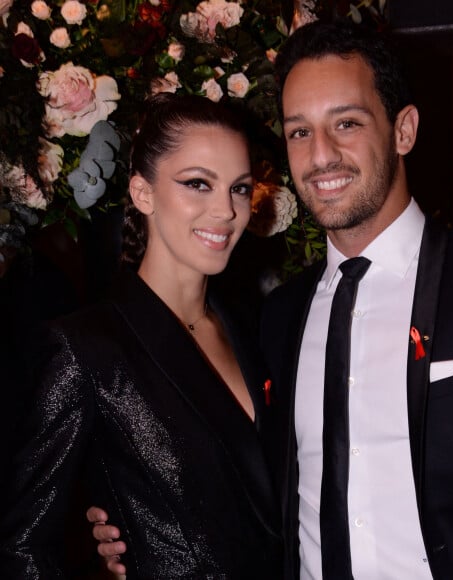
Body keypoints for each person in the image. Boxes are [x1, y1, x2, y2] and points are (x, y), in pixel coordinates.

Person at [90, 18, 453, 580]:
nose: (320, 155)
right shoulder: (277, 319)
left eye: (346, 123)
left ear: (404, 130)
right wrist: (134, 523)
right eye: (300, 131)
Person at [0, 92, 282, 578]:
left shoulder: (260, 329)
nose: (226, 211)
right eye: (198, 184)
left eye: (238, 188)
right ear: (142, 193)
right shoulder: (86, 348)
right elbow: (21, 548)